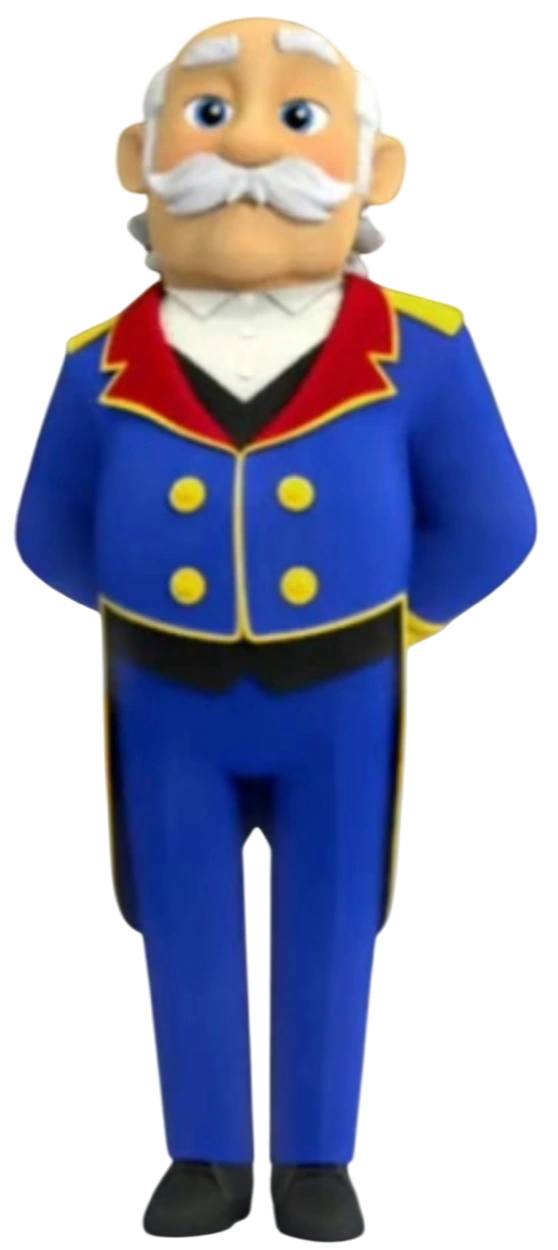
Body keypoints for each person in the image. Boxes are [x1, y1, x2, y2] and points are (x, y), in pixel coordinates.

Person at [13, 14, 539, 1242]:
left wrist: (403, 621)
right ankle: (202, 1149)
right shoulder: (95, 366)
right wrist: (146, 604)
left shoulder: (424, 352)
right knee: (181, 913)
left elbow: (495, 522)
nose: (249, 146)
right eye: (209, 113)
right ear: (136, 159)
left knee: (337, 915)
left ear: (377, 169)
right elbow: (46, 530)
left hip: (341, 694)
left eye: (297, 116)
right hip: (166, 697)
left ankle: (316, 1156)